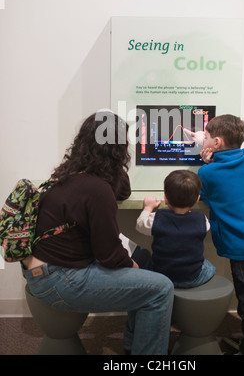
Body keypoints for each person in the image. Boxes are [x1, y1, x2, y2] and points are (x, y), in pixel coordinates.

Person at [21, 111, 174, 355]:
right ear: (118, 149)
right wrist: (132, 266)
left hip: (45, 270)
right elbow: (109, 255)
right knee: (161, 288)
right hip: (60, 279)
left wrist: (112, 167)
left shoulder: (68, 174)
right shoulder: (97, 189)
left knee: (144, 257)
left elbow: (122, 192)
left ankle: (133, 346)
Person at [188, 114, 244, 355]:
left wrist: (205, 163)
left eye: (205, 136)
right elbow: (229, 170)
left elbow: (204, 193)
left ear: (216, 143)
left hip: (243, 247)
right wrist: (207, 145)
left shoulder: (208, 174)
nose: (202, 139)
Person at [136, 170, 216, 288]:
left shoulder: (156, 219)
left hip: (163, 276)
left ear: (166, 199)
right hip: (192, 277)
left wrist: (148, 208)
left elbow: (140, 225)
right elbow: (207, 228)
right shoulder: (202, 220)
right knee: (209, 266)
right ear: (197, 199)